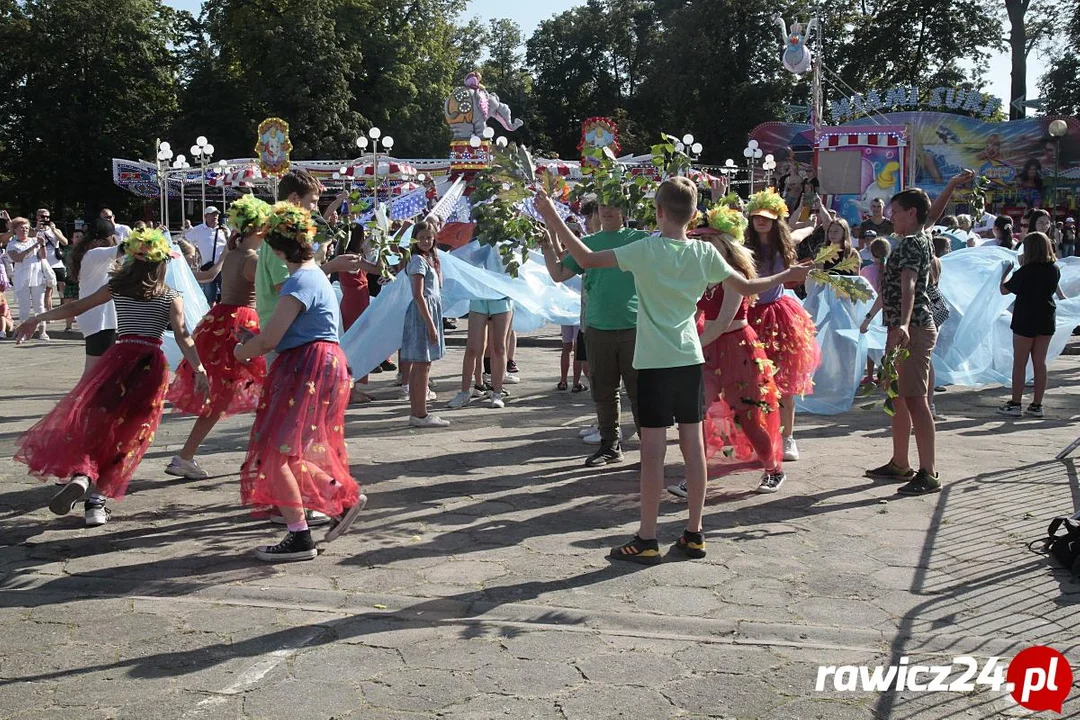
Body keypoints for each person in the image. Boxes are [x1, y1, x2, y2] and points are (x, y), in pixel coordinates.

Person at [535, 179, 810, 564]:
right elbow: (748, 285)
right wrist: (786, 276)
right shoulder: (702, 253)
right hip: (690, 360)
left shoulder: (645, 250)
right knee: (693, 450)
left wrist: (551, 215)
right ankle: (694, 534)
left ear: (660, 212)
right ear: (693, 215)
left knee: (652, 455)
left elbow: (584, 258)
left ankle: (647, 538)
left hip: (654, 364)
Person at [12, 229, 207, 527]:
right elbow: (182, 336)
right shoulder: (170, 296)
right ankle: (96, 502)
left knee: (98, 423)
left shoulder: (117, 287)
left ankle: (82, 474)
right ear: (162, 264)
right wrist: (200, 369)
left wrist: (36, 319)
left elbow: (76, 306)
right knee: (130, 435)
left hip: (116, 360)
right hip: (149, 366)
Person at [234, 202, 365, 561]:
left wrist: (242, 352)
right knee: (289, 452)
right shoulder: (315, 274)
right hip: (320, 361)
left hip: (305, 365)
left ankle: (300, 536)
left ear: (276, 250)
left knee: (276, 454)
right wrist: (253, 341)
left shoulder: (298, 281)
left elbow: (273, 338)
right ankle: (340, 500)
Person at [861, 170, 972, 496]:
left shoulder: (909, 244)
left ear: (910, 214)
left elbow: (908, 285)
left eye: (895, 212)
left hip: (912, 328)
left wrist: (904, 325)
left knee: (915, 399)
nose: (890, 217)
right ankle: (899, 462)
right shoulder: (921, 232)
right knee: (898, 397)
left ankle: (928, 471)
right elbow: (933, 211)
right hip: (904, 327)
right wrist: (950, 185)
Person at [669, 205, 785, 498]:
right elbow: (693, 311)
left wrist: (691, 346)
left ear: (724, 244)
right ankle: (697, 475)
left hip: (737, 349)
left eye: (709, 240)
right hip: (708, 347)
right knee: (702, 413)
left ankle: (773, 469)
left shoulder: (734, 274)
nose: (702, 245)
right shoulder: (701, 273)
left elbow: (722, 322)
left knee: (747, 413)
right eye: (700, 240)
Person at [166, 195, 272, 479]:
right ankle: (265, 458)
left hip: (221, 321)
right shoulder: (253, 259)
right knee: (268, 391)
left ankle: (187, 455)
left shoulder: (235, 254)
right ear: (259, 228)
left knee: (225, 397)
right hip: (242, 324)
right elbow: (272, 292)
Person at [539, 199, 646, 467]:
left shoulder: (640, 239)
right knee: (604, 390)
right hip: (598, 328)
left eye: (615, 206)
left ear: (625, 209)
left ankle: (650, 447)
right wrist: (546, 246)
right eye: (603, 208)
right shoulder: (589, 243)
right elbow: (558, 273)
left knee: (640, 392)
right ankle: (610, 446)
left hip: (635, 327)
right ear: (597, 213)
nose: (608, 211)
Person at [745, 189, 822, 461]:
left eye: (766, 217)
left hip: (779, 319)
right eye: (756, 217)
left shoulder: (783, 243)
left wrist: (812, 219)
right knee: (753, 384)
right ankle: (761, 436)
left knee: (784, 383)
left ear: (776, 219)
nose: (761, 221)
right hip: (749, 318)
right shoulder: (743, 247)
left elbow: (803, 232)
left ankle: (788, 438)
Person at [997, 232, 1065, 419]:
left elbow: (1004, 290)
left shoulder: (1025, 271)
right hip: (1046, 316)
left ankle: (1016, 403)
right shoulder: (1054, 269)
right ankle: (1037, 405)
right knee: (1040, 363)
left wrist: (1005, 273)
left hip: (1025, 317)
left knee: (1020, 363)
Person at [401, 221, 450, 426]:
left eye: (429, 237)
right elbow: (418, 295)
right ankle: (420, 413)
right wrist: (430, 324)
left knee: (421, 364)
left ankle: (418, 411)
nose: (425, 241)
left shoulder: (430, 258)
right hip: (423, 313)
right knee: (422, 364)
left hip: (428, 311)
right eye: (421, 237)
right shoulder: (418, 261)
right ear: (415, 239)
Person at [68, 220, 122, 376]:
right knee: (93, 372)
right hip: (99, 318)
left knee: (100, 370)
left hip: (100, 317)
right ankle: (79, 400)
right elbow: (127, 248)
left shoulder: (93, 255)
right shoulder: (96, 254)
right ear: (107, 239)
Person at [5, 217, 50, 340]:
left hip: (37, 276)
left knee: (39, 305)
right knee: (24, 307)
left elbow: (43, 256)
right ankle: (23, 333)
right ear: (15, 230)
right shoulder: (12, 244)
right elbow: (17, 258)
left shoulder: (35, 239)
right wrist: (34, 245)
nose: (24, 230)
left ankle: (42, 332)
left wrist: (42, 245)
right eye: (21, 228)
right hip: (21, 278)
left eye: (26, 228)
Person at [185, 207, 229, 305]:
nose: (215, 216)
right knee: (209, 297)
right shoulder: (199, 229)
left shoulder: (224, 229)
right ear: (206, 216)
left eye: (216, 214)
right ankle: (211, 317)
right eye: (212, 214)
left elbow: (232, 245)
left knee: (226, 296)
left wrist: (227, 235)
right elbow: (185, 239)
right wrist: (193, 250)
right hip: (207, 267)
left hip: (223, 267)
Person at [60, 227, 85, 331]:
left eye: (80, 236)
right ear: (72, 239)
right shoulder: (67, 250)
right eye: (76, 236)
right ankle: (68, 326)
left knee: (84, 304)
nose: (78, 238)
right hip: (70, 279)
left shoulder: (89, 250)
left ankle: (85, 327)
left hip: (84, 280)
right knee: (69, 304)